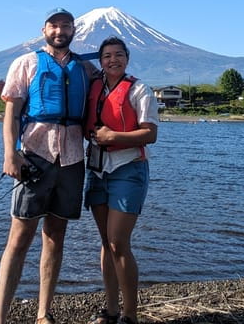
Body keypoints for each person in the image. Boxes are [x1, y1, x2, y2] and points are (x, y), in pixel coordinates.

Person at [0, 8, 97, 324]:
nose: (59, 30)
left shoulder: (86, 69)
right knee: (19, 237)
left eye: (66, 25)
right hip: (34, 156)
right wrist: (10, 154)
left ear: (74, 30)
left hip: (72, 159)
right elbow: (11, 113)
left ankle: (43, 313)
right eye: (54, 25)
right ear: (44, 29)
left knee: (55, 236)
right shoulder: (26, 63)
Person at [84, 36, 159, 324]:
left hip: (129, 168)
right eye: (106, 56)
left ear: (127, 58)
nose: (112, 60)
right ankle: (111, 310)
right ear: (100, 61)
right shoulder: (94, 87)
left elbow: (150, 134)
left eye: (118, 55)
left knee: (118, 242)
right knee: (105, 243)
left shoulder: (140, 89)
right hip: (98, 169)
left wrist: (114, 137)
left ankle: (130, 314)